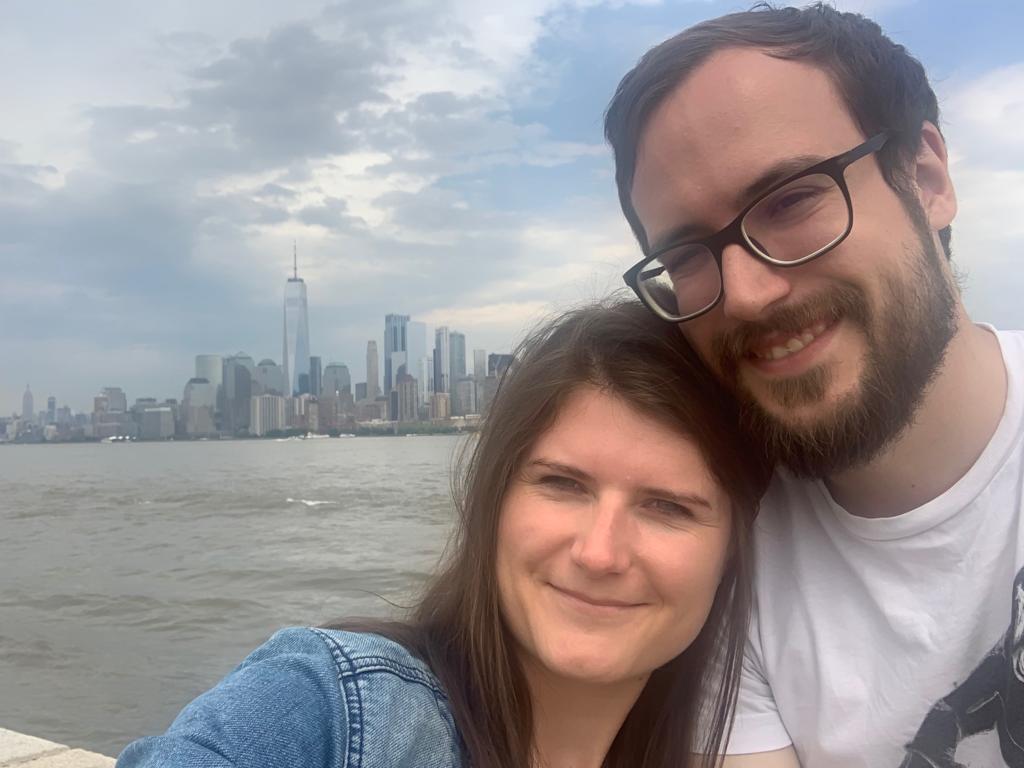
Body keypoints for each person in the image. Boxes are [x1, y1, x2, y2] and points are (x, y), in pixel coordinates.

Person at [605, 3, 1023, 767]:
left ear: (926, 178)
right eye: (688, 255)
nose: (745, 296)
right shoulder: (715, 569)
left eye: (792, 199)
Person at [116, 299, 771, 768]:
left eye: (667, 507)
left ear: (733, 551)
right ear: (493, 502)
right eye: (562, 484)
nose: (599, 552)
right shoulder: (335, 711)